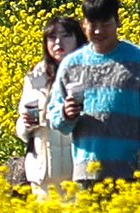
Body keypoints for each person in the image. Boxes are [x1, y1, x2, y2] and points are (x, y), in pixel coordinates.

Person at [55, 0, 140, 186]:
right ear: (84, 25)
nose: (98, 31)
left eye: (105, 24)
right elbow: (56, 118)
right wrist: (66, 114)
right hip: (86, 174)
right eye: (93, 24)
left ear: (117, 22)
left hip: (132, 174)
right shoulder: (71, 64)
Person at [10, 15, 86, 186]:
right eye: (52, 37)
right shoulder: (35, 77)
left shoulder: (91, 73)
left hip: (79, 174)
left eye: (66, 36)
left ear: (78, 39)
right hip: (42, 174)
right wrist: (26, 123)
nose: (58, 43)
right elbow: (23, 131)